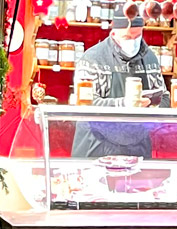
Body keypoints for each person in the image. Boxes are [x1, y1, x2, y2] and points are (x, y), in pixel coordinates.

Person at [71, 13, 168, 159]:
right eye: (127, 38)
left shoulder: (150, 58)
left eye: (137, 36)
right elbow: (85, 104)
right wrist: (125, 103)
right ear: (113, 32)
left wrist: (152, 103)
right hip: (97, 147)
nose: (133, 42)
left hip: (137, 149)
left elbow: (165, 98)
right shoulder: (92, 59)